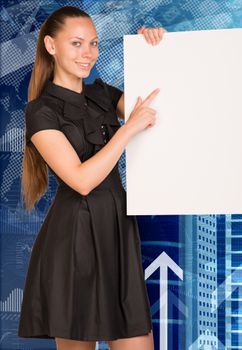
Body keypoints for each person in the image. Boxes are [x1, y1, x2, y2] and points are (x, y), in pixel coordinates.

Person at [18, 6, 165, 350]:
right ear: (51, 46)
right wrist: (127, 130)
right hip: (74, 242)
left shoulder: (102, 94)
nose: (88, 54)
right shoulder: (40, 112)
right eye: (77, 43)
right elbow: (81, 180)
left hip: (118, 233)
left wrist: (154, 52)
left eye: (94, 44)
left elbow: (159, 111)